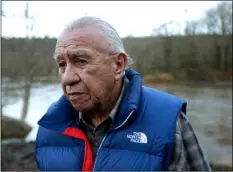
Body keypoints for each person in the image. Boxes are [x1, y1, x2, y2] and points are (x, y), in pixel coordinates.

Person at [35, 16, 211, 171]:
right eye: (62, 65)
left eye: (81, 61)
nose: (67, 78)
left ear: (118, 65)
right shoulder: (50, 125)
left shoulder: (169, 122)